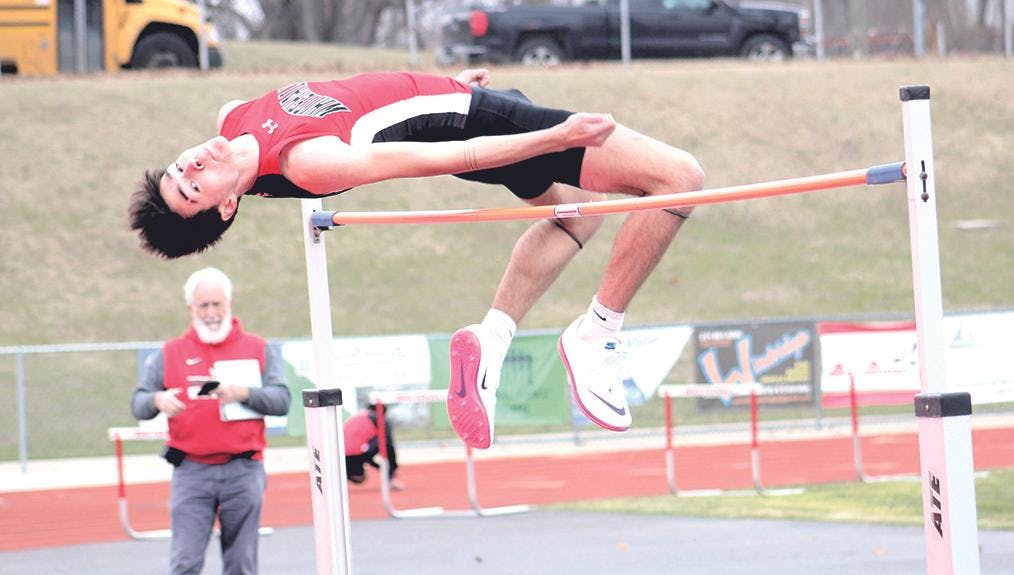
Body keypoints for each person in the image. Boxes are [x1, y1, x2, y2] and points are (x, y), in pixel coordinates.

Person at [129, 68, 704, 450]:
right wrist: (552, 138)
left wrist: (441, 79)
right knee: (678, 177)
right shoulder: (309, 164)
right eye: (193, 188)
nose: (192, 167)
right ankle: (598, 334)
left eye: (180, 170)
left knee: (580, 211)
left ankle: (492, 342)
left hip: (466, 101)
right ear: (228, 206)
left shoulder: (235, 117)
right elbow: (448, 154)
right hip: (482, 126)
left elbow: (360, 94)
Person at [131, 266, 291, 575]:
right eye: (203, 305)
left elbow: (282, 399)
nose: (211, 312)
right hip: (192, 472)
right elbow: (138, 402)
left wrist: (244, 393)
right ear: (190, 307)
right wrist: (156, 399)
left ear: (229, 303)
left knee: (242, 566)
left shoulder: (258, 349)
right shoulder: (169, 353)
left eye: (216, 303)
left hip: (243, 471)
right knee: (184, 564)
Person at [343, 404, 404, 491]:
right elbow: (388, 443)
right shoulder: (380, 419)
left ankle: (341, 481)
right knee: (387, 444)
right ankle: (391, 479)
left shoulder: (356, 418)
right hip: (358, 453)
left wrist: (377, 466)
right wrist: (391, 469)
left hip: (343, 455)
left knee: (378, 443)